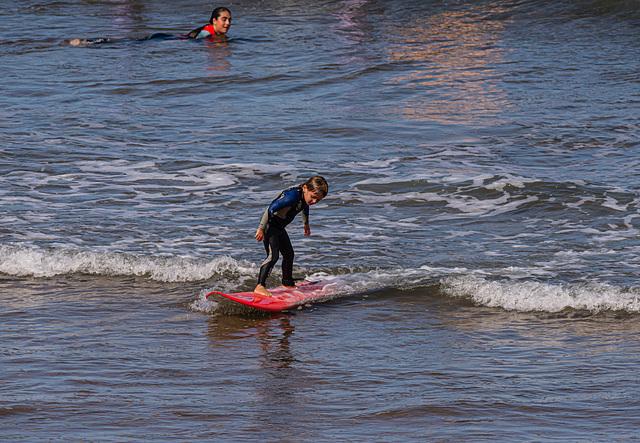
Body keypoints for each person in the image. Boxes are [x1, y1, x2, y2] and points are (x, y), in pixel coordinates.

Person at [254, 176, 329, 297]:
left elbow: (305, 207)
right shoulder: (291, 197)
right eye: (313, 197)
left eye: (318, 200)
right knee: (273, 256)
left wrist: (306, 224)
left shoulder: (304, 198)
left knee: (289, 254)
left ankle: (287, 283)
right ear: (305, 188)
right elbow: (270, 208)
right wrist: (261, 228)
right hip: (270, 226)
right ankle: (260, 286)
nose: (314, 201)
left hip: (279, 228)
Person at [68, 7, 231, 46]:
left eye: (229, 20)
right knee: (127, 43)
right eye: (224, 19)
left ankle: (87, 41)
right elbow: (197, 42)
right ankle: (88, 42)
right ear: (214, 21)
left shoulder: (209, 30)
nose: (227, 23)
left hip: (166, 37)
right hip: (166, 38)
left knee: (130, 42)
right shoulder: (208, 31)